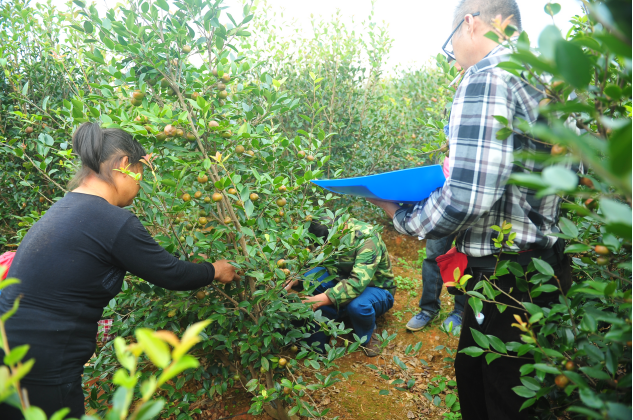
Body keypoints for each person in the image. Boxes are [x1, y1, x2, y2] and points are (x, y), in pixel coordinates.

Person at [367, 1, 572, 418]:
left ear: (470, 23)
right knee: (519, 391)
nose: (455, 57)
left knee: (494, 398)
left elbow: (468, 196)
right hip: (546, 269)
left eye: (451, 45)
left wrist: (402, 217)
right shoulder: (549, 80)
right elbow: (573, 167)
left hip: (504, 277)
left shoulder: (487, 76)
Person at [0, 123, 239, 420]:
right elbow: (172, 274)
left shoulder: (64, 208)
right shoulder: (112, 220)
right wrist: (214, 269)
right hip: (44, 358)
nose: (140, 183)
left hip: (9, 348)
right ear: (125, 165)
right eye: (140, 172)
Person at [285, 218, 396, 357]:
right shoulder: (318, 231)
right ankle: (331, 314)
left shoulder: (367, 238)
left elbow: (357, 282)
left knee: (357, 306)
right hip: (339, 279)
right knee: (309, 277)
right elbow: (310, 261)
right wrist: (294, 279)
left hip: (375, 288)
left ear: (340, 230)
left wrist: (319, 300)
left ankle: (368, 332)